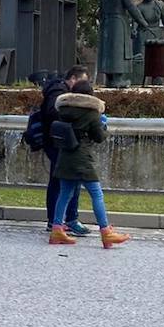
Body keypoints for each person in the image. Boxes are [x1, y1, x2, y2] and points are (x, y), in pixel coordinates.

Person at [49, 80, 129, 249]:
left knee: (65, 194)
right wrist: (104, 124)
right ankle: (106, 232)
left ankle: (56, 229)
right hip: (82, 159)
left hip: (65, 157)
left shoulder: (63, 110)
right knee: (96, 194)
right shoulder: (92, 113)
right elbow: (99, 137)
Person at [40, 65, 90, 238]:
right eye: (83, 81)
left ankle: (61, 220)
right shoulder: (58, 92)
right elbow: (53, 112)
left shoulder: (58, 90)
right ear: (74, 79)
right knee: (63, 181)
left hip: (59, 141)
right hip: (57, 142)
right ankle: (62, 221)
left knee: (65, 181)